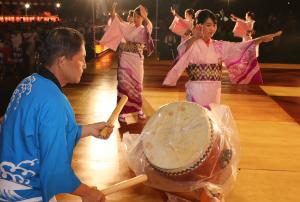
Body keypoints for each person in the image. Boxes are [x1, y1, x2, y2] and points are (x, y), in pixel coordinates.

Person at [0, 27, 114, 202]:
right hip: (26, 193)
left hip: (6, 182)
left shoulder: (29, 82)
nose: (84, 64)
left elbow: (41, 133)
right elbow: (55, 170)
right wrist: (87, 192)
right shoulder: (55, 102)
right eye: (82, 59)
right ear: (62, 60)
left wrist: (88, 130)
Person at [163, 9, 282, 108]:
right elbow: (181, 51)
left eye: (214, 25)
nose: (212, 29)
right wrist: (194, 38)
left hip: (215, 90)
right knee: (199, 123)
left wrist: (259, 40)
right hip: (196, 90)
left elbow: (238, 47)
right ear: (199, 25)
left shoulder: (218, 45)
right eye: (208, 25)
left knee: (214, 125)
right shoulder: (192, 44)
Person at [100, 4, 154, 123]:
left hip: (137, 59)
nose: (135, 19)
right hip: (125, 58)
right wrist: (113, 11)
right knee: (124, 85)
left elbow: (148, 29)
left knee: (137, 84)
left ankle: (138, 109)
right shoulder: (128, 26)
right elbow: (117, 22)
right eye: (134, 16)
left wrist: (145, 18)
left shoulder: (145, 27)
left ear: (142, 17)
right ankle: (122, 112)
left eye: (137, 17)